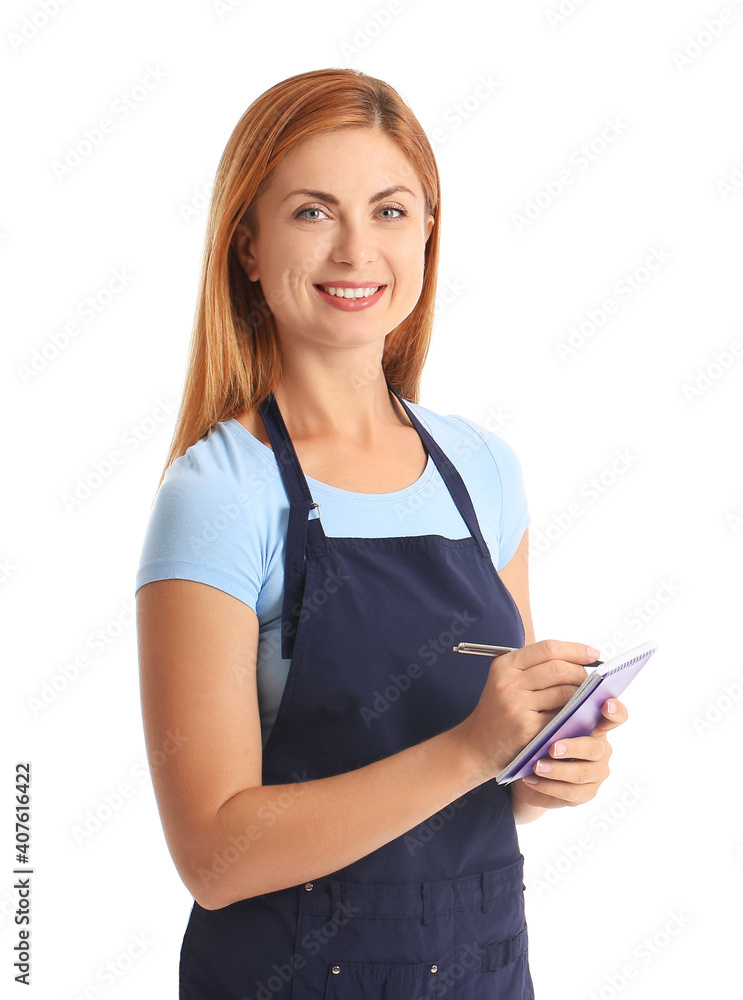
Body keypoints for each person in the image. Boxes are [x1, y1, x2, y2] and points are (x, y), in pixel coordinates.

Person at [135, 68, 628, 1000]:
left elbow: (483, 787)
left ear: (430, 233)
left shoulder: (484, 471)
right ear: (246, 245)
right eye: (313, 212)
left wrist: (542, 767)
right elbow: (212, 855)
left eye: (391, 211)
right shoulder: (218, 493)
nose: (357, 249)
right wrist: (471, 751)